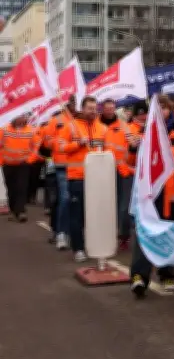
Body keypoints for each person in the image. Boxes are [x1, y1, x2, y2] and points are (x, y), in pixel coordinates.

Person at [130, 95, 174, 298]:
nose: (162, 111)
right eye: (157, 108)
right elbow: (132, 162)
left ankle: (167, 273)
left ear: (171, 110)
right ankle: (139, 277)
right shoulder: (144, 134)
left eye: (165, 108)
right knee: (144, 233)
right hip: (150, 194)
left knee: (169, 234)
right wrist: (133, 149)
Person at [57, 96, 107, 262]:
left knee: (93, 215)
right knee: (76, 214)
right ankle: (78, 248)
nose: (93, 111)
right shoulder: (71, 126)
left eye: (95, 108)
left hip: (97, 179)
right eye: (89, 108)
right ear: (82, 109)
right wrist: (78, 144)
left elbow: (107, 151)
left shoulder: (102, 129)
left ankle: (92, 245)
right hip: (77, 178)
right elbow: (61, 147)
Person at [100, 98, 138, 251]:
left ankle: (123, 236)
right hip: (102, 172)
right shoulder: (96, 126)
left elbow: (131, 150)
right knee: (104, 205)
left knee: (124, 206)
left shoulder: (124, 127)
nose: (110, 111)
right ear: (103, 109)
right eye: (107, 108)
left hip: (122, 171)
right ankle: (103, 235)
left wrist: (134, 147)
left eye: (112, 108)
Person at [45, 96, 78, 250]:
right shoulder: (56, 120)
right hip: (62, 166)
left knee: (76, 200)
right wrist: (61, 141)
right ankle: (61, 233)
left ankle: (74, 232)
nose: (74, 105)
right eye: (72, 102)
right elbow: (47, 141)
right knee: (64, 199)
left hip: (81, 167)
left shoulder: (83, 120)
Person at [0, 113, 36, 222]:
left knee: (22, 187)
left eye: (24, 116)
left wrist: (29, 160)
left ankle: (21, 211)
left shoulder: (31, 130)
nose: (22, 118)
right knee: (11, 189)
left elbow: (35, 148)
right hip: (8, 164)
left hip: (23, 165)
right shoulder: (4, 129)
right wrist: (2, 161)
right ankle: (13, 209)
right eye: (20, 116)